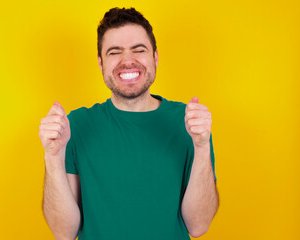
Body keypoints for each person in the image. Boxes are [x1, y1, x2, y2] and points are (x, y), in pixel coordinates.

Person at [39, 7, 219, 240]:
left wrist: (202, 146)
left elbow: (198, 226)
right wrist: (53, 156)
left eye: (138, 49)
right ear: (101, 63)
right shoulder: (76, 125)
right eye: (114, 52)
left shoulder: (189, 123)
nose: (128, 61)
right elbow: (64, 233)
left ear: (155, 57)